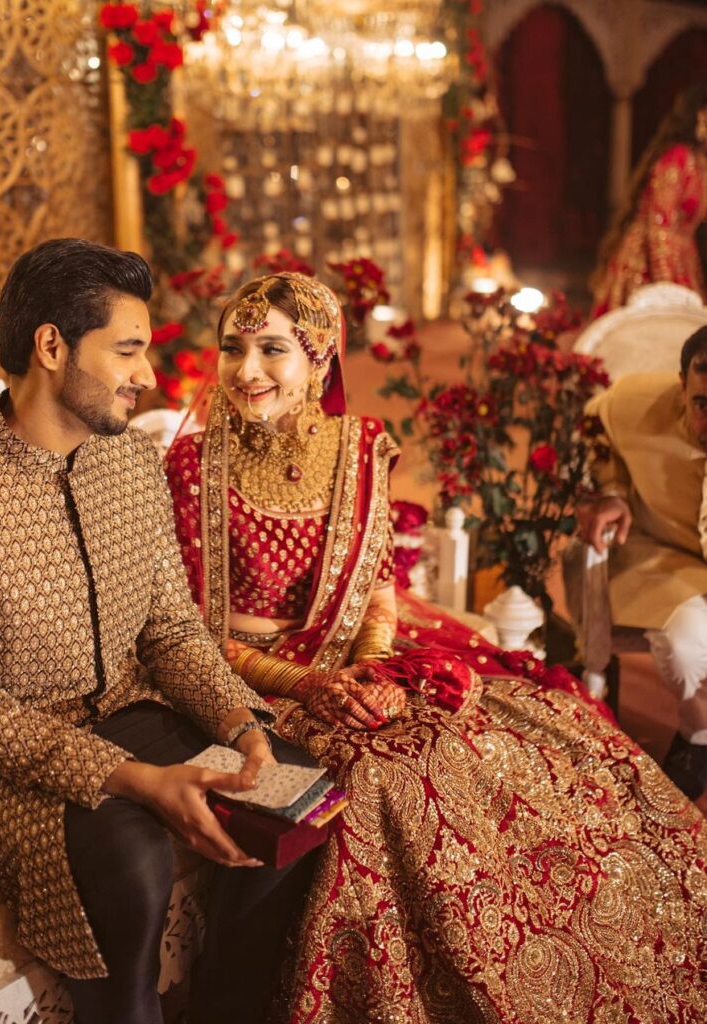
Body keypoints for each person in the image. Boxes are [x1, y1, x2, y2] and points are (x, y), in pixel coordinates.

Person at [164, 272, 707, 1024]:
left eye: (271, 349)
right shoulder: (191, 469)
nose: (245, 370)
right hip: (250, 684)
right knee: (388, 777)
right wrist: (310, 684)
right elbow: (186, 632)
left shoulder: (359, 450)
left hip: (356, 666)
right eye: (232, 348)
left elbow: (379, 588)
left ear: (319, 357)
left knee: (535, 739)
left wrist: (374, 667)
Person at [0, 239, 318, 1024]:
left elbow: (171, 629)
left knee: (287, 785)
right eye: (125, 350)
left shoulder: (129, 463)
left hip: (125, 708)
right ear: (51, 346)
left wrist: (240, 724)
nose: (145, 376)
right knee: (133, 860)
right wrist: (134, 780)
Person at [577, 324, 707, 803]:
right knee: (679, 647)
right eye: (703, 405)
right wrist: (610, 493)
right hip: (674, 563)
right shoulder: (635, 404)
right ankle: (698, 735)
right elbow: (594, 428)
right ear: (682, 385)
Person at [591, 82, 707, 318]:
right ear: (701, 116)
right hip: (649, 263)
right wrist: (667, 288)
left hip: (684, 261)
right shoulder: (678, 158)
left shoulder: (701, 164)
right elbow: (659, 225)